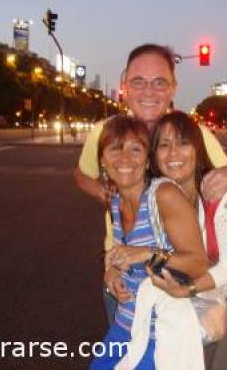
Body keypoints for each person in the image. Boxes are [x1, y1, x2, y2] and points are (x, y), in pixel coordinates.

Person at [74, 44, 227, 323]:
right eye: (138, 82)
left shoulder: (194, 134)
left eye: (159, 83)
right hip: (121, 266)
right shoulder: (105, 132)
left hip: (178, 269)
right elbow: (81, 174)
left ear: (173, 88)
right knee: (124, 350)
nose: (148, 91)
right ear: (125, 87)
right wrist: (102, 191)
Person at [149, 111, 227, 370]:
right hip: (205, 301)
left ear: (197, 149)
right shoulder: (159, 195)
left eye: (183, 143)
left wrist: (188, 289)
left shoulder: (218, 192)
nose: (173, 153)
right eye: (164, 144)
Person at [89, 115, 208, 369]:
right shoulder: (115, 199)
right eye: (115, 149)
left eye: (135, 149)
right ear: (102, 160)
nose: (125, 159)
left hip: (161, 334)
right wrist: (112, 274)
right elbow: (123, 255)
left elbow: (198, 263)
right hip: (123, 327)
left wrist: (146, 253)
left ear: (147, 159)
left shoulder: (163, 196)